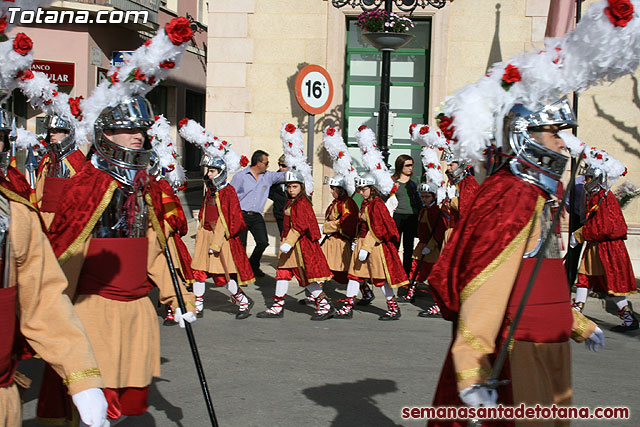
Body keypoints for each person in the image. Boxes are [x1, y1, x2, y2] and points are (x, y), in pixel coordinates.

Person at [428, 99, 605, 423]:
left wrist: (576, 324)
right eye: (553, 132)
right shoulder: (513, 194)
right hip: (517, 354)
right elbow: (486, 289)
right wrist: (472, 372)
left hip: (547, 346)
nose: (561, 142)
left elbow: (532, 281)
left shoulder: (535, 194)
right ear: (524, 134)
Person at [39, 96, 196, 424]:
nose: (138, 135)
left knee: (127, 406)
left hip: (137, 312)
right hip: (94, 311)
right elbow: (68, 255)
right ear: (106, 134)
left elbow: (155, 251)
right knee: (95, 406)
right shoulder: (87, 185)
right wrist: (53, 317)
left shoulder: (145, 186)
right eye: (128, 129)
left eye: (141, 129)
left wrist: (178, 296)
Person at [0, 108, 108, 427]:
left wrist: (83, 380)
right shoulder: (46, 162)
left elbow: (44, 298)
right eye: (52, 133)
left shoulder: (15, 217)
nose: (53, 138)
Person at [257, 169, 335, 320]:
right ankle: (277, 306)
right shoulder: (291, 201)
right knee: (282, 274)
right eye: (289, 186)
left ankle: (325, 305)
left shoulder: (302, 202)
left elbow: (300, 225)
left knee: (305, 277)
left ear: (301, 187)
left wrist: (290, 241)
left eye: (294, 186)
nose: (291, 190)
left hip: (300, 246)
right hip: (290, 245)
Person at [571, 165, 638, 332]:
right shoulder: (594, 196)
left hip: (607, 249)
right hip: (595, 246)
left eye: (587, 178)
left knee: (611, 283)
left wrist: (580, 234)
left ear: (596, 178)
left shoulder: (605, 198)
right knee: (584, 277)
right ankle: (576, 311)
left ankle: (628, 318)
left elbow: (607, 228)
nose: (585, 181)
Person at [191, 155, 256, 319]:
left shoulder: (228, 192)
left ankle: (242, 300)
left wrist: (216, 244)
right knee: (199, 272)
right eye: (208, 171)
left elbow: (226, 219)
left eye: (212, 171)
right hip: (206, 236)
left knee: (222, 274)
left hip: (219, 239)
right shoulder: (211, 192)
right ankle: (197, 304)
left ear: (220, 172)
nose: (209, 175)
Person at [338, 175, 409, 320]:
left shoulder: (377, 204)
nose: (361, 192)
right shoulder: (365, 203)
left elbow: (378, 228)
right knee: (354, 276)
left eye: (364, 189)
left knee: (379, 279)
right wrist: (357, 240)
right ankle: (348, 306)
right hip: (362, 244)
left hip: (374, 246)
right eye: (360, 189)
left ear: (372, 189)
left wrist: (367, 247)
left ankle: (393, 307)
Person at [230, 150, 285, 277]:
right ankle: (240, 274)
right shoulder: (241, 176)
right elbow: (230, 195)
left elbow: (284, 176)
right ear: (258, 163)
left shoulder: (268, 176)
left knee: (263, 242)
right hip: (241, 215)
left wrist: (299, 166)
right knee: (240, 246)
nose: (268, 166)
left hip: (256, 216)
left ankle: (253, 265)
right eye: (266, 163)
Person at [398, 182, 447, 306]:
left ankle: (439, 302)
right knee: (415, 270)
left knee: (434, 274)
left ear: (434, 196)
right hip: (422, 246)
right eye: (422, 196)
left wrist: (430, 247)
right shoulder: (423, 210)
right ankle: (410, 293)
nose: (424, 199)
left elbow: (439, 232)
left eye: (427, 197)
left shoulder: (435, 211)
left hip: (432, 248)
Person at [35, 115, 86, 227]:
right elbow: (39, 191)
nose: (52, 134)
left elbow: (81, 193)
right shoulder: (48, 158)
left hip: (67, 218)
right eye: (51, 131)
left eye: (57, 131)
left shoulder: (77, 159)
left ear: (67, 133)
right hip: (45, 217)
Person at [321, 176, 359, 285]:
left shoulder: (346, 203)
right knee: (322, 267)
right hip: (330, 241)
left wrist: (328, 227)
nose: (332, 192)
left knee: (347, 271)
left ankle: (365, 292)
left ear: (341, 190)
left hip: (340, 241)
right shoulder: (336, 202)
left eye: (334, 189)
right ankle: (317, 294)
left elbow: (347, 221)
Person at [391, 154, 421, 275]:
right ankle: (394, 272)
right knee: (395, 245)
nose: (410, 168)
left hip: (412, 216)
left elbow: (419, 199)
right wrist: (392, 189)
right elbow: (382, 197)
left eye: (412, 165)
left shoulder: (415, 180)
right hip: (398, 215)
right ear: (400, 166)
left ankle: (406, 273)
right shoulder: (392, 180)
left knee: (408, 247)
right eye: (408, 165)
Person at [268, 154, 288, 235]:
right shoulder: (275, 177)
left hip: (293, 214)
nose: (280, 167)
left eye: (283, 166)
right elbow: (268, 191)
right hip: (280, 213)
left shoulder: (297, 177)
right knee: (283, 236)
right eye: (279, 165)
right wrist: (278, 199)